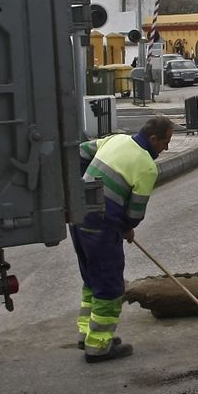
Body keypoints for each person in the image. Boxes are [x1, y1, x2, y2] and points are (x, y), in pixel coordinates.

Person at [72, 115, 175, 362]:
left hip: (78, 216)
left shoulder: (115, 139)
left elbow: (81, 152)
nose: (167, 148)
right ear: (153, 139)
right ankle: (98, 347)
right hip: (102, 226)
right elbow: (135, 212)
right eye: (166, 142)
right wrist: (127, 228)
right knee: (109, 286)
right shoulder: (147, 166)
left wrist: (87, 185)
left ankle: (87, 334)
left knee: (91, 277)